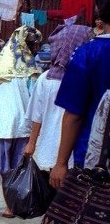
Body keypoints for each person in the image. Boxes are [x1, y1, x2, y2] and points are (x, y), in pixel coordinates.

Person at [47, 0, 110, 224]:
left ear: (99, 12)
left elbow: (72, 115)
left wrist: (59, 163)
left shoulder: (87, 54)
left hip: (91, 167)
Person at [0, 26, 42, 218]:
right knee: (14, 167)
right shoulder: (30, 66)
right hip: (21, 122)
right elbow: (35, 96)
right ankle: (9, 207)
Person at [23, 23, 90, 171]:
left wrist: (32, 143)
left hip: (45, 153)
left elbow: (36, 115)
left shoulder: (45, 78)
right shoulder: (82, 79)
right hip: (71, 156)